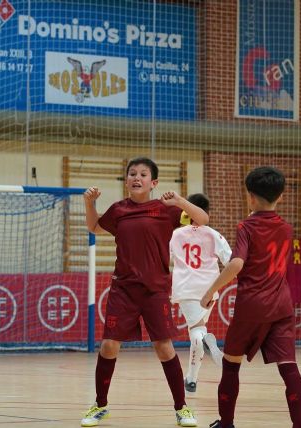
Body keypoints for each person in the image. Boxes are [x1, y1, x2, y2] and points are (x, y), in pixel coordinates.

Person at [81, 157, 209, 427]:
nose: (136, 177)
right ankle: (100, 405)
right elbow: (93, 227)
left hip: (156, 291)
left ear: (154, 183)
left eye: (142, 174)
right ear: (126, 181)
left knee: (164, 348)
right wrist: (89, 203)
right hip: (123, 290)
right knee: (108, 346)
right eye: (131, 174)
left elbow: (202, 218)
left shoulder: (166, 210)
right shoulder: (118, 210)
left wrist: (180, 201)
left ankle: (181, 408)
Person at [201, 166, 301, 428]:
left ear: (249, 196)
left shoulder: (246, 226)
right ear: (280, 196)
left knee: (231, 365)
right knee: (289, 368)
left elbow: (236, 264)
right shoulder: (286, 228)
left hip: (252, 306)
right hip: (282, 305)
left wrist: (210, 291)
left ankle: (226, 424)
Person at [169, 193, 230, 394]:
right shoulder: (213, 234)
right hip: (209, 289)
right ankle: (192, 379)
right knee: (197, 330)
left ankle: (205, 340)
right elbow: (230, 261)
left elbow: (164, 260)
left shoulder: (176, 234)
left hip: (186, 288)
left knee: (197, 331)